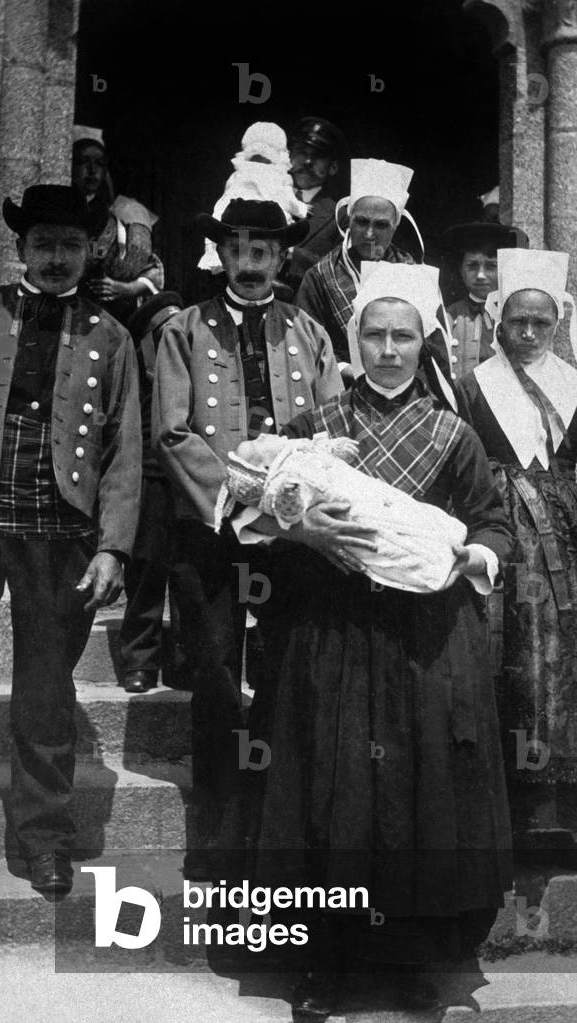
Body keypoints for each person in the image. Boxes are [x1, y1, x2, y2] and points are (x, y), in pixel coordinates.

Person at [235, 262, 512, 1020]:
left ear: (424, 343)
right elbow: (253, 507)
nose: (388, 349)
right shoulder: (316, 427)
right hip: (332, 629)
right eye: (374, 335)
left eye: (402, 335)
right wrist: (296, 526)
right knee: (330, 786)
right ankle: (326, 963)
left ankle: (414, 959)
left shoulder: (454, 433)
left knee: (420, 794)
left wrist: (478, 553)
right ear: (354, 341)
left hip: (424, 638)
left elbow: (492, 519)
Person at [0, 185, 141, 896]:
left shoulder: (110, 336)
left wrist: (113, 545)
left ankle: (45, 838)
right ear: (21, 249)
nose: (57, 257)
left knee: (45, 691)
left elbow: (124, 450)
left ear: (91, 251)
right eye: (43, 244)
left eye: (70, 245)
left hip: (60, 532)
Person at [152, 199, 342, 876]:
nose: (252, 260)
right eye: (240, 248)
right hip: (211, 532)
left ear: (282, 256)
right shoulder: (183, 331)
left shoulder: (309, 332)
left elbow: (330, 427)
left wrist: (297, 493)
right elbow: (172, 430)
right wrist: (239, 492)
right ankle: (218, 830)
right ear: (222, 255)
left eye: (265, 248)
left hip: (290, 534)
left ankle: (276, 827)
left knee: (288, 672)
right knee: (215, 677)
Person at [455, 247, 577, 841]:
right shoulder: (474, 385)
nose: (528, 334)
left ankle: (556, 809)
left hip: (567, 539)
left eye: (542, 323)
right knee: (506, 654)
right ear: (497, 322)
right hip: (500, 529)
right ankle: (501, 807)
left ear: (560, 324)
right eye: (517, 322)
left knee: (560, 659)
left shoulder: (572, 385)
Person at [119, 291, 185, 694]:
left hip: (189, 484)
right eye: (162, 333)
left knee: (188, 576)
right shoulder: (135, 379)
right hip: (148, 481)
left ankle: (182, 658)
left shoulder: (194, 374)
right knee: (144, 572)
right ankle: (140, 660)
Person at [295, 158, 419, 371]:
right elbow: (307, 343)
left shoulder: (412, 273)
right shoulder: (320, 276)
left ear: (395, 226)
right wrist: (344, 369)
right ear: (349, 219)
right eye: (361, 222)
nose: (369, 234)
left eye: (381, 225)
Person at [71, 125, 164, 325]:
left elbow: (153, 272)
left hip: (108, 319)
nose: (92, 170)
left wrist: (123, 288)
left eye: (99, 163)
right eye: (83, 161)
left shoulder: (120, 217)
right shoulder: (58, 212)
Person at [198, 122, 309, 273]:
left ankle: (218, 254)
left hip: (243, 222)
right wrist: (301, 209)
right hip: (253, 221)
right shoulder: (276, 177)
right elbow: (287, 200)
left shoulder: (238, 175)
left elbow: (222, 204)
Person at [442, 221, 529, 378]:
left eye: (490, 266)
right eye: (472, 266)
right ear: (461, 270)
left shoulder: (519, 318)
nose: (480, 275)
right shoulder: (447, 317)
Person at [281, 116, 347, 293]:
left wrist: (290, 255)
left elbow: (339, 275)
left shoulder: (340, 218)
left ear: (333, 167)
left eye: (318, 156)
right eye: (302, 152)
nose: (308, 161)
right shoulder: (261, 191)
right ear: (289, 155)